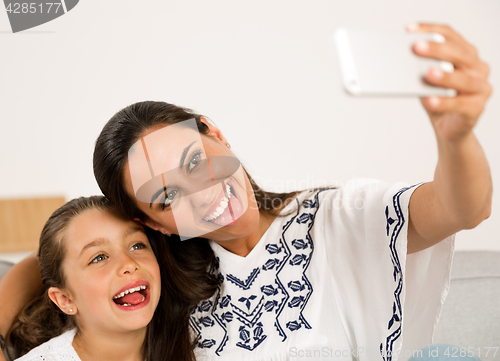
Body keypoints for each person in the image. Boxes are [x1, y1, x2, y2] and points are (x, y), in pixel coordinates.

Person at [0, 22, 492, 361]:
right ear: (152, 223)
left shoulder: (337, 218)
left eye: (196, 160)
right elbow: (48, 261)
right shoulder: (159, 274)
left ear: (215, 132)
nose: (204, 191)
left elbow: (460, 209)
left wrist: (456, 137)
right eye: (168, 196)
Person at [4, 196, 215, 361]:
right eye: (99, 257)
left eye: (137, 245)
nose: (129, 264)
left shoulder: (204, 340)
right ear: (65, 300)